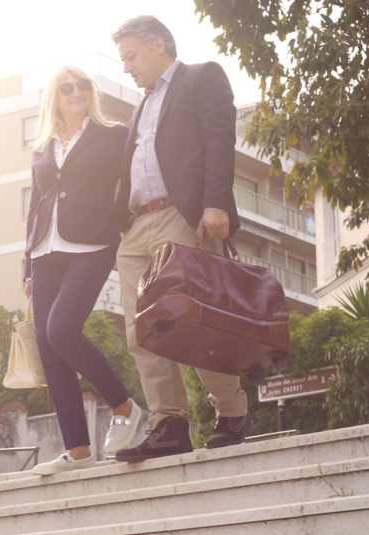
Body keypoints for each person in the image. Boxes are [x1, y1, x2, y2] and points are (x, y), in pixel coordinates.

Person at [111, 16, 253, 462]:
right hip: (137, 226)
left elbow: (218, 138)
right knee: (141, 331)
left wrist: (215, 203)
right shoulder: (140, 105)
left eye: (131, 56)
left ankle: (231, 412)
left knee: (195, 321)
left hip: (182, 215)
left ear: (158, 45)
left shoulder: (200, 76)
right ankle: (169, 423)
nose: (127, 67)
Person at [24, 66, 143, 476]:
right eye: (66, 88)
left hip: (92, 245)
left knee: (62, 330)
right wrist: (27, 264)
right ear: (54, 98)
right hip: (45, 251)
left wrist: (119, 220)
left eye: (82, 85)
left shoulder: (113, 134)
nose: (76, 92)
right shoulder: (41, 146)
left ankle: (124, 406)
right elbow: (36, 204)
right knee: (47, 343)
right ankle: (77, 450)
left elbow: (132, 180)